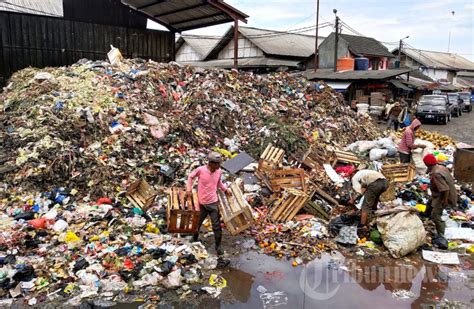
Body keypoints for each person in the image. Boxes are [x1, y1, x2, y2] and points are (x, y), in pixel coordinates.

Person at [187, 152, 230, 256]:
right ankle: (195, 238)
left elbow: (219, 183)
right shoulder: (201, 170)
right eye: (217, 164)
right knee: (197, 223)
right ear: (210, 163)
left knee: (217, 226)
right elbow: (190, 177)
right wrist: (189, 189)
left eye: (219, 164)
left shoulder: (219, 172)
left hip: (213, 203)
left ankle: (218, 247)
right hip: (202, 203)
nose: (219, 166)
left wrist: (225, 190)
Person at [423, 154, 457, 236]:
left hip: (444, 196)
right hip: (440, 193)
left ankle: (442, 234)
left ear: (427, 164)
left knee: (435, 215)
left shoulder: (436, 174)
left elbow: (445, 189)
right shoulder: (441, 167)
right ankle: (425, 217)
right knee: (429, 203)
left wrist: (444, 201)